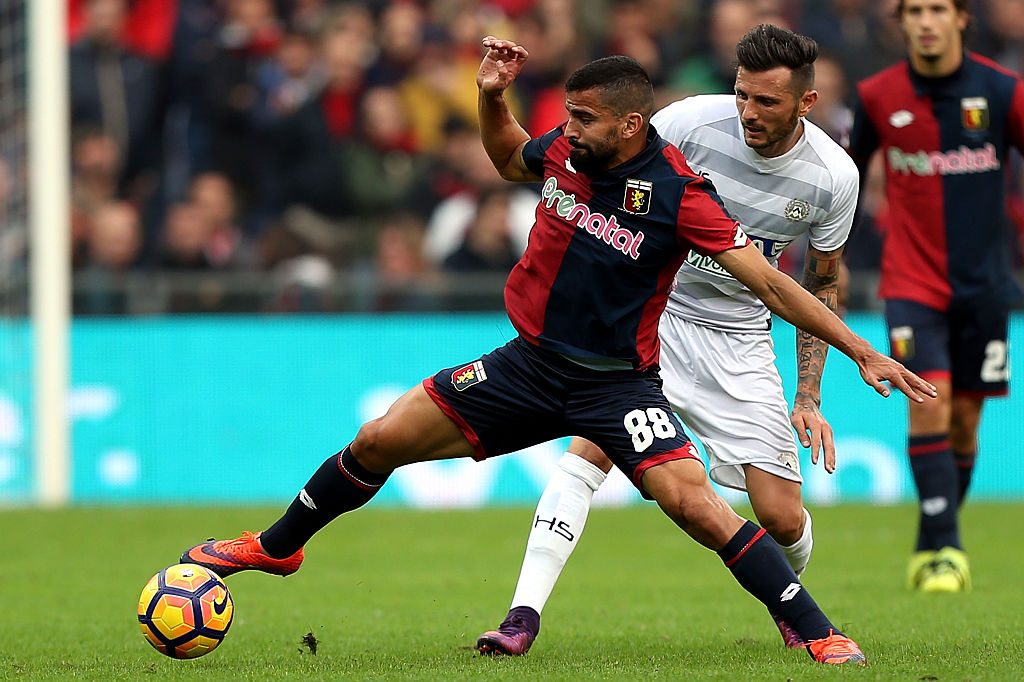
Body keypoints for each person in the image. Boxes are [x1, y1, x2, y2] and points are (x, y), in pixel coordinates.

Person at [181, 37, 937, 666]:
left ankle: (817, 629)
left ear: (633, 124)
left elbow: (775, 286)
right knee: (378, 439)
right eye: (567, 117)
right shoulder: (569, 152)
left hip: (621, 388)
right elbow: (511, 158)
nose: (568, 130)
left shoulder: (680, 194)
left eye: (583, 118)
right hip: (527, 365)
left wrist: (858, 350)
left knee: (699, 508)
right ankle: (277, 548)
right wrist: (489, 98)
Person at [475, 24, 859, 657]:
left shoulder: (832, 178)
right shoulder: (689, 122)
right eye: (741, 95)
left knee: (782, 517)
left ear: (805, 104)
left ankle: (790, 604)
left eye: (766, 102)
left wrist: (808, 395)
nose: (748, 112)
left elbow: (820, 286)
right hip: (652, 315)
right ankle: (521, 617)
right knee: (588, 453)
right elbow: (603, 177)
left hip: (739, 336)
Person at [848, 0, 1024, 593]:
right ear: (902, 22)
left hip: (986, 284)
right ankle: (946, 547)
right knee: (929, 400)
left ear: (960, 19)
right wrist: (832, 260)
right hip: (911, 281)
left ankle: (935, 538)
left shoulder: (1002, 91)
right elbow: (848, 175)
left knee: (966, 421)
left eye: (937, 9)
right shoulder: (877, 94)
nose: (926, 21)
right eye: (915, 10)